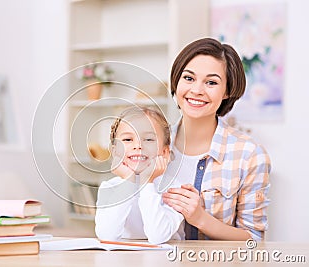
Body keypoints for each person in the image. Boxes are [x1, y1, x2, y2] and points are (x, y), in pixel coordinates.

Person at [161, 37, 271, 240]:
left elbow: (254, 240)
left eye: (211, 82)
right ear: (176, 80)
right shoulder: (149, 145)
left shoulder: (250, 155)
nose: (196, 90)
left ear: (227, 91)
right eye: (188, 78)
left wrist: (201, 218)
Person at [94, 106, 185, 244]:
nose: (138, 146)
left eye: (148, 139)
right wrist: (128, 181)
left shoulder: (174, 190)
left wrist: (147, 183)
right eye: (128, 140)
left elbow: (158, 237)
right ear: (115, 151)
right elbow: (107, 236)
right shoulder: (109, 187)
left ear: (165, 152)